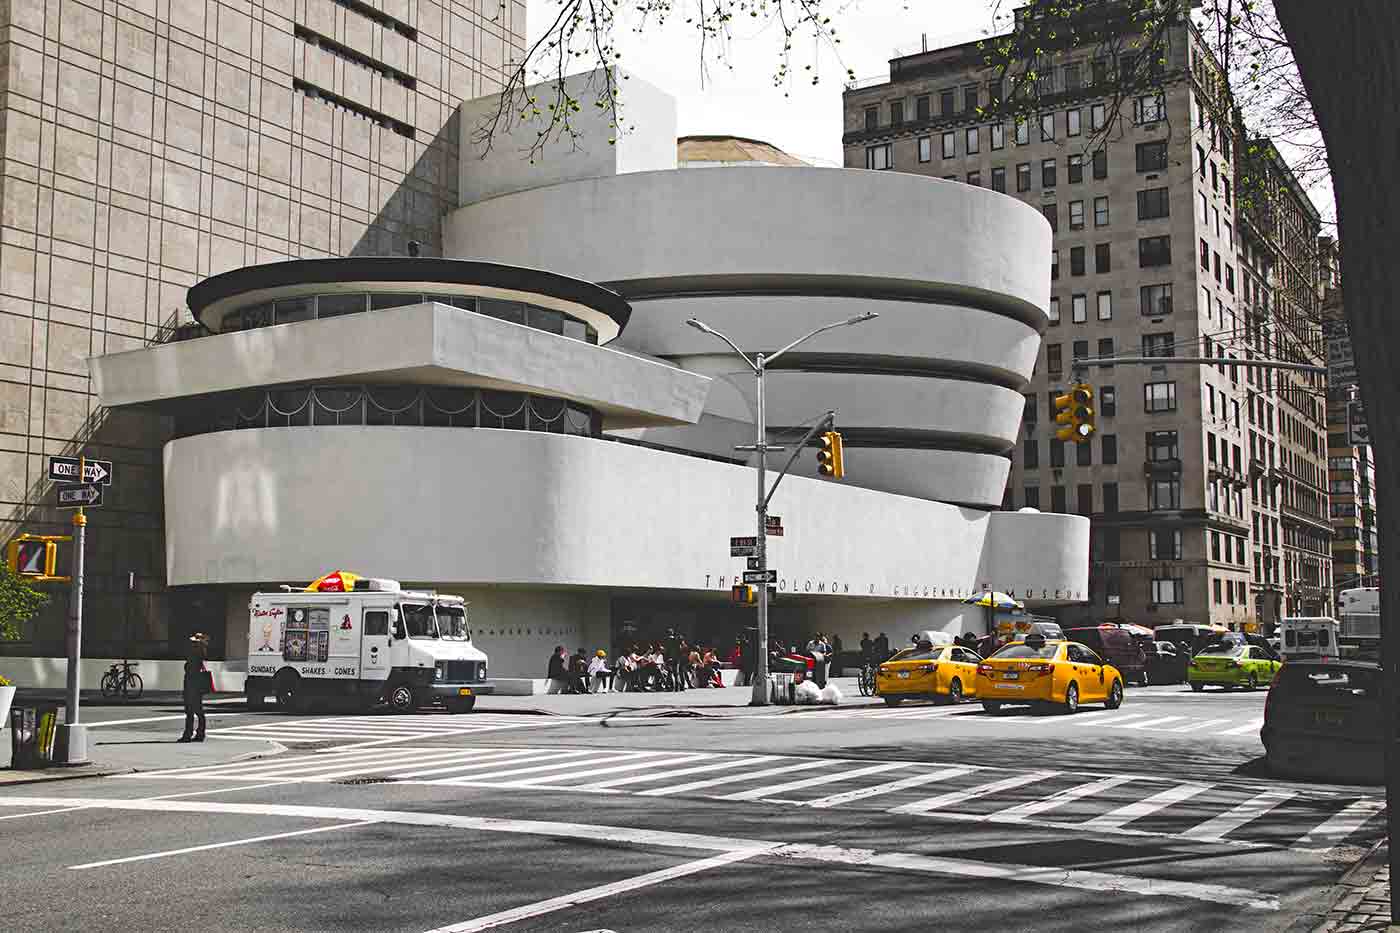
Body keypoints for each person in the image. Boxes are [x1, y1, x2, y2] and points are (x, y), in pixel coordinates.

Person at [178, 632, 210, 743]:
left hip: (192, 685)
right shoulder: (200, 653)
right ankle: (199, 733)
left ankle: (188, 734)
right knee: (197, 711)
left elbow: (189, 671)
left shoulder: (195, 654)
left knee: (191, 711)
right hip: (196, 686)